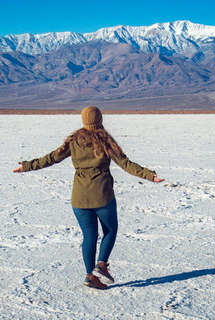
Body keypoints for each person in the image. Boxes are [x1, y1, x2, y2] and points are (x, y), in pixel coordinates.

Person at [13, 106, 164, 290]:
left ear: (84, 121)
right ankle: (101, 265)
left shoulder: (74, 141)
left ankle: (90, 277)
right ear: (100, 120)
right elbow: (126, 164)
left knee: (89, 236)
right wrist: (150, 175)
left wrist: (27, 166)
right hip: (102, 196)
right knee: (110, 231)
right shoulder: (106, 141)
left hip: (79, 198)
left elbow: (51, 158)